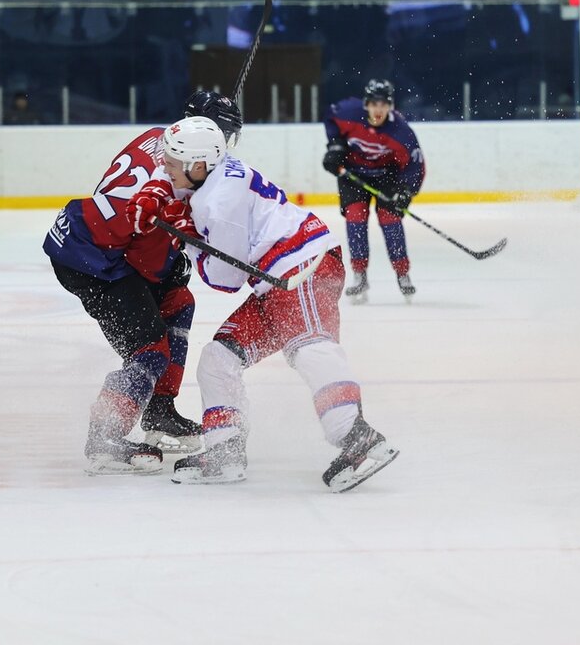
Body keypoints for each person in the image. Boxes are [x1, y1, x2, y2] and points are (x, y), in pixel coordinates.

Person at [139, 116, 398, 492]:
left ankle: (357, 437)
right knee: (218, 358)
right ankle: (224, 450)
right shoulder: (209, 172)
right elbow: (177, 182)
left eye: (172, 163)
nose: (165, 168)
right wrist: (160, 196)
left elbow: (226, 279)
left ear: (197, 166)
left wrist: (185, 238)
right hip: (273, 281)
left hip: (304, 267)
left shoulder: (218, 202)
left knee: (309, 346)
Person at [42, 91, 244, 475]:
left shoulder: (158, 137)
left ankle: (159, 409)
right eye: (223, 135)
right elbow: (145, 259)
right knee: (150, 347)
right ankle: (104, 435)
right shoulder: (180, 182)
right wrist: (170, 260)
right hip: (92, 259)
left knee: (178, 302)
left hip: (93, 238)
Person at [321, 79, 425, 304]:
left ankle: (402, 272)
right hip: (353, 175)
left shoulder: (401, 131)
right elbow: (330, 117)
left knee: (390, 219)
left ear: (391, 106)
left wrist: (407, 192)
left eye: (384, 104)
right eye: (374, 104)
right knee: (355, 217)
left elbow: (415, 165)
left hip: (387, 176)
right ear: (366, 104)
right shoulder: (349, 112)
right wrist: (336, 146)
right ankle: (359, 274)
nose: (378, 110)